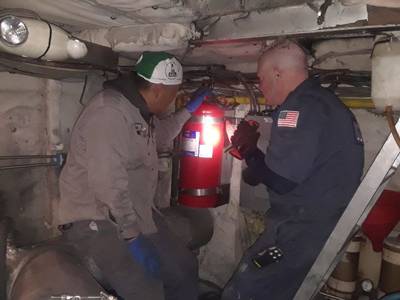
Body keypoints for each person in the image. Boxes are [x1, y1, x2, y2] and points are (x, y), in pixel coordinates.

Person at [57, 51, 210, 300]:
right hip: (97, 218)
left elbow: (160, 135)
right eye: (174, 93)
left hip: (136, 212)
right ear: (159, 89)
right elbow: (107, 184)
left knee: (183, 268)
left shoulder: (139, 111)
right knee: (145, 291)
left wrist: (189, 110)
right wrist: (131, 236)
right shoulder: (110, 113)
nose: (174, 99)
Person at [222, 40, 364, 300]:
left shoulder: (298, 107)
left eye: (262, 79)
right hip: (321, 224)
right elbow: (294, 171)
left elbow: (281, 181)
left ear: (278, 73)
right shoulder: (326, 103)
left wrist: (248, 148)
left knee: (244, 290)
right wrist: (252, 159)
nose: (261, 87)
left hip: (299, 229)